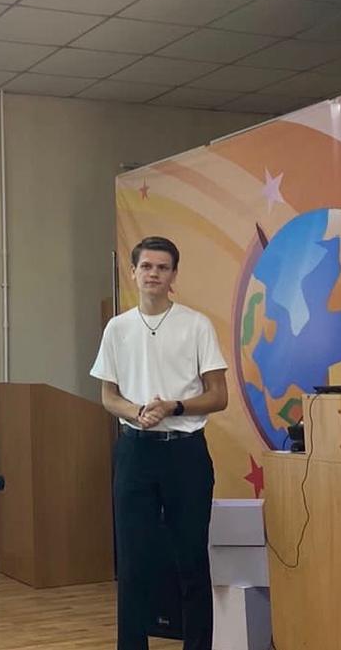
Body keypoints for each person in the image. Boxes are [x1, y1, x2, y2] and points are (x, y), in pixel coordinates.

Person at [91, 236, 228, 650]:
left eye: (162, 267)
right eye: (146, 266)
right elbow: (108, 396)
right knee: (133, 562)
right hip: (135, 451)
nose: (154, 274)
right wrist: (137, 411)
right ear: (133, 273)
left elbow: (218, 395)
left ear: (173, 276)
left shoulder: (196, 325)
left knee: (191, 559)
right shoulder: (118, 328)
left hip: (185, 452)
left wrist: (174, 406)